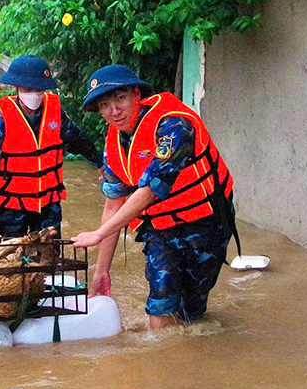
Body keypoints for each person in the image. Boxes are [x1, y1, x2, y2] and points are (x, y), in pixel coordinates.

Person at [71, 65, 237, 329]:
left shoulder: (174, 125)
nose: (114, 110)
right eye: (104, 105)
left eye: (120, 98)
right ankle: (161, 349)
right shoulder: (114, 144)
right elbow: (113, 205)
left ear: (137, 95)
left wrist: (99, 234)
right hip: (159, 229)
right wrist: (102, 271)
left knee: (192, 309)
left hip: (205, 222)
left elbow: (150, 191)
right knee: (160, 301)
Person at [0, 55, 102, 238]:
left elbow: (76, 140)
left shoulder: (54, 110)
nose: (34, 94)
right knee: (11, 252)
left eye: (39, 89)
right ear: (17, 88)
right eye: (28, 89)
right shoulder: (1, 118)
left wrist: (99, 162)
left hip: (48, 203)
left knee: (51, 249)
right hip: (10, 206)